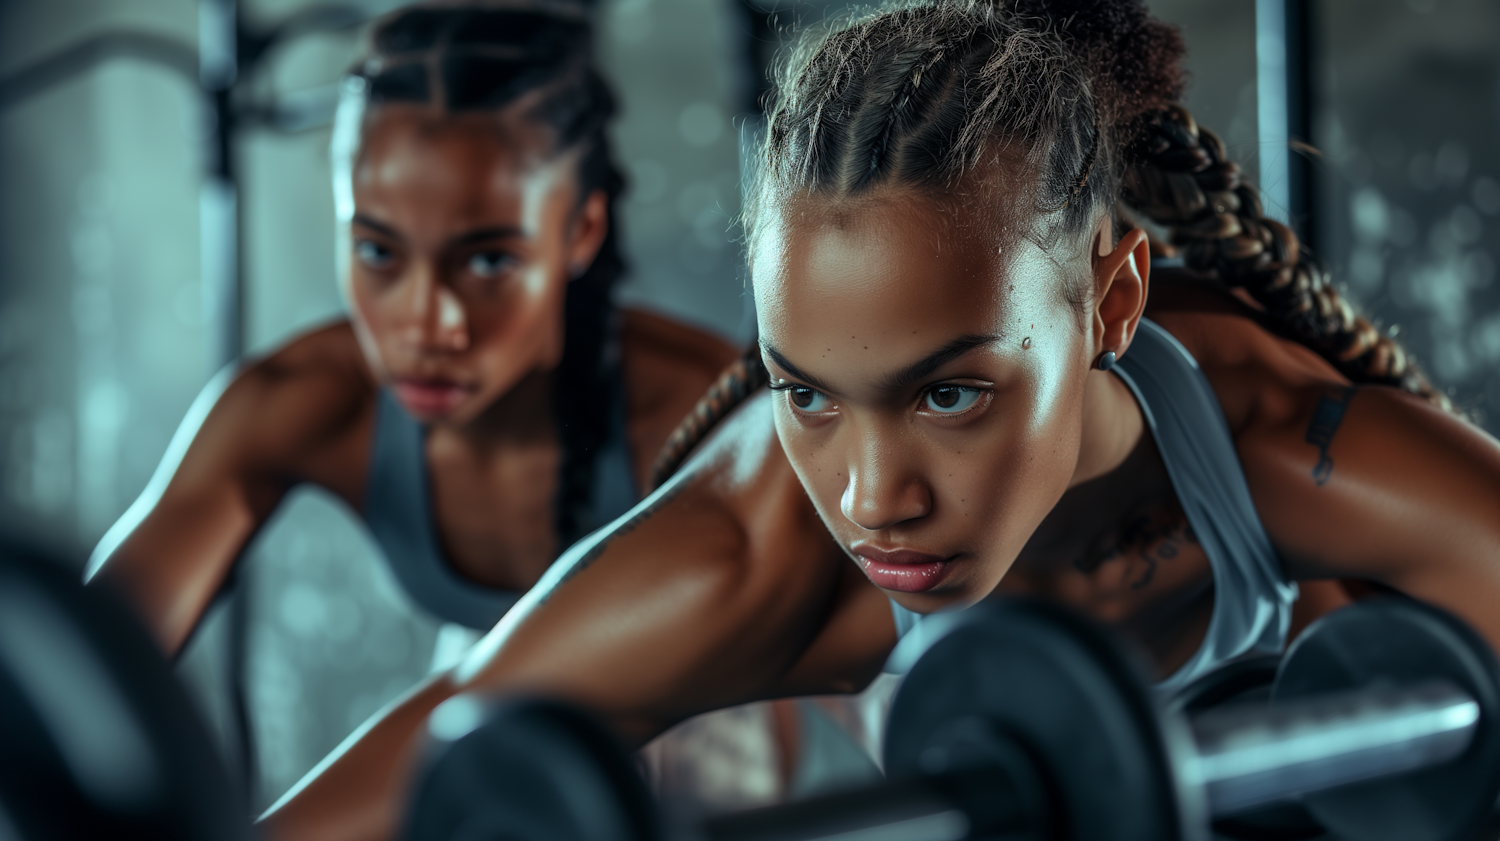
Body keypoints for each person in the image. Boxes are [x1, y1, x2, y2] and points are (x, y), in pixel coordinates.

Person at [251, 0, 1500, 838]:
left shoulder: (1280, 444)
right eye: (807, 393)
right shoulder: (757, 556)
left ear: (1112, 299)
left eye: (949, 391)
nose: (868, 497)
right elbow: (414, 765)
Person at [85, 4, 737, 707]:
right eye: (377, 251)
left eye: (488, 260)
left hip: (716, 719)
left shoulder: (707, 411)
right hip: (496, 709)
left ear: (580, 231)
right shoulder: (303, 399)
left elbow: (856, 642)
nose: (424, 325)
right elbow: (81, 662)